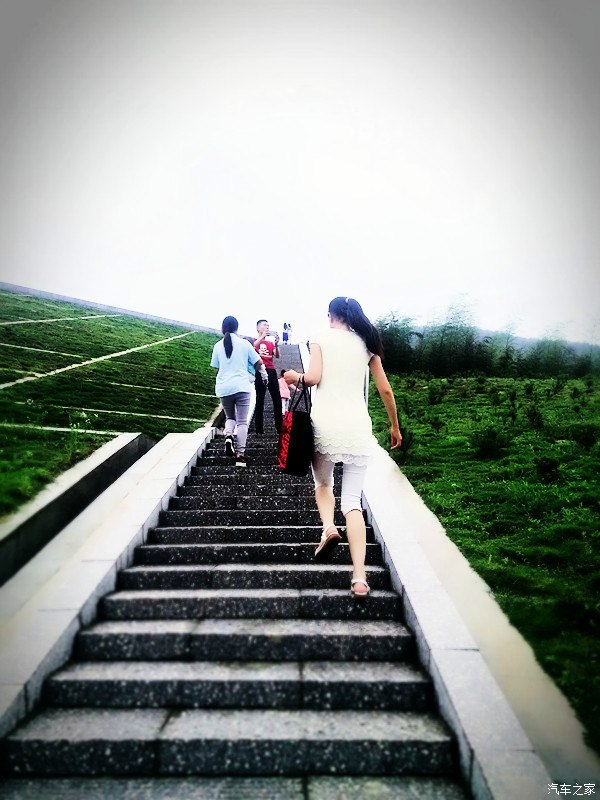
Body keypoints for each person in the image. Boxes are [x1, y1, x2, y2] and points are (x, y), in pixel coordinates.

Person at [284, 296, 402, 598]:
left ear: (330, 315)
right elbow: (385, 389)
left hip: (325, 427)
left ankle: (328, 527)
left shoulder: (321, 337)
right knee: (352, 503)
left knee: (324, 484)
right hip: (357, 430)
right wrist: (394, 426)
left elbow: (313, 378)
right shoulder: (367, 343)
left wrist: (294, 377)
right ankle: (360, 577)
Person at [211, 316, 268, 467]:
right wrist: (262, 376)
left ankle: (228, 436)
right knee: (242, 422)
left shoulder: (217, 346)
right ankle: (240, 455)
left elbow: (216, 368)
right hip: (242, 386)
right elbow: (259, 362)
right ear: (237, 328)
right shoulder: (244, 344)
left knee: (230, 417)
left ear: (223, 328)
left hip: (224, 388)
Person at [253, 319, 283, 435]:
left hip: (271, 370)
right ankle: (259, 429)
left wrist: (276, 343)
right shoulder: (254, 340)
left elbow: (278, 355)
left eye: (268, 325)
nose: (267, 327)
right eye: (264, 325)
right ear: (258, 328)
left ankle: (279, 427)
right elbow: (252, 347)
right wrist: (262, 337)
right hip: (260, 370)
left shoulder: (270, 343)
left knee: (277, 399)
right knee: (260, 399)